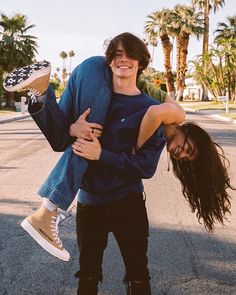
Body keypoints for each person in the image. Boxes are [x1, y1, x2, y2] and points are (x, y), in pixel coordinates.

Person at [4, 32, 235, 294]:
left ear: (140, 64)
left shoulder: (155, 120)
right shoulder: (131, 101)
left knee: (138, 275)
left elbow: (145, 168)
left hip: (128, 204)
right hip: (92, 202)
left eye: (184, 157)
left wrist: (97, 151)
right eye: (188, 148)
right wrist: (76, 130)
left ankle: (41, 94)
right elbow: (153, 118)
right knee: (88, 276)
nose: (181, 152)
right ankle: (46, 210)